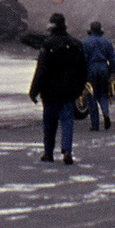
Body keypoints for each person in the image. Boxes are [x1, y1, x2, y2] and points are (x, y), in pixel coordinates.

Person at [29, 13, 87, 164]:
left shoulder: (48, 45)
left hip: (50, 91)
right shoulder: (76, 44)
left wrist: (34, 91)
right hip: (69, 91)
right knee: (67, 121)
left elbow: (41, 70)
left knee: (50, 123)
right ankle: (67, 150)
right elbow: (83, 70)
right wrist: (79, 89)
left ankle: (48, 153)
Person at [81, 21, 115, 131]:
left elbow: (84, 60)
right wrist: (112, 71)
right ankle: (106, 113)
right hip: (103, 68)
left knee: (92, 96)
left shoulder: (85, 43)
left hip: (91, 68)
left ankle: (95, 125)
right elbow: (112, 59)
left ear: (90, 30)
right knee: (103, 94)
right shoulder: (107, 42)